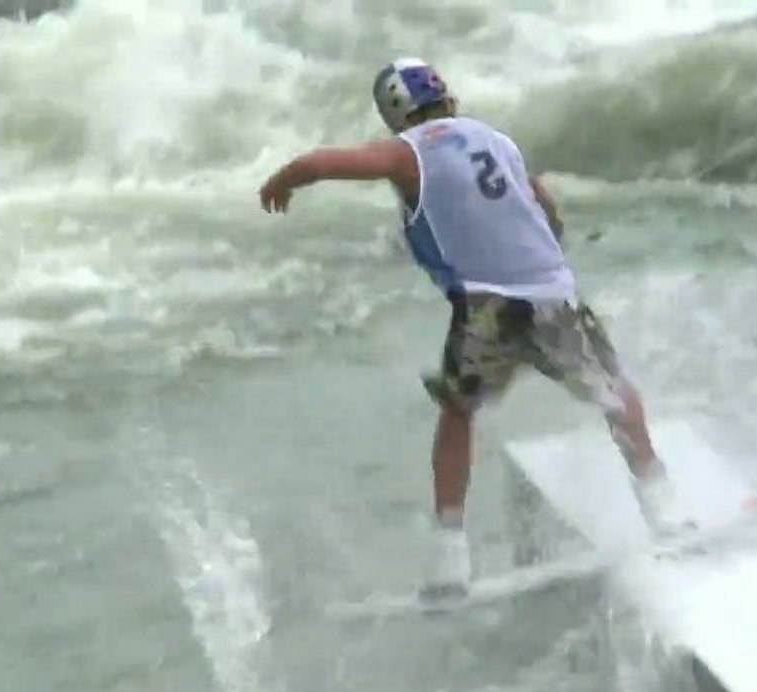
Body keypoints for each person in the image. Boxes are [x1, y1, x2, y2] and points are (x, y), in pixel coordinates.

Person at [259, 57, 689, 599]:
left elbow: (328, 162)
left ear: (396, 112)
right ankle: (663, 506)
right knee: (613, 393)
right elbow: (544, 205)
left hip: (487, 305)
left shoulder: (406, 151)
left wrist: (284, 179)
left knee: (460, 414)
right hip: (552, 290)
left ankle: (449, 559)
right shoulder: (495, 139)